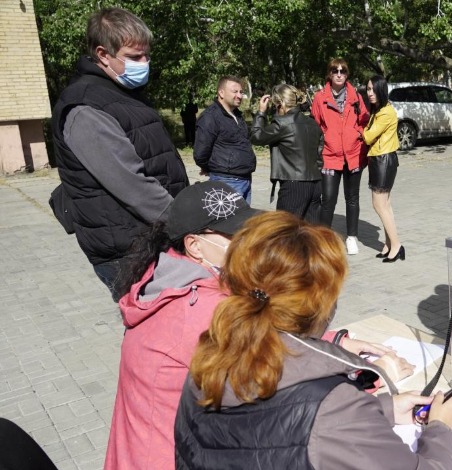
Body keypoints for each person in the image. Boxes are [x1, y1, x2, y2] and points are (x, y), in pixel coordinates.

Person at [105, 182, 411, 469]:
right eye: (237, 237)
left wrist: (335, 339)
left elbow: (260, 327)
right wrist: (374, 376)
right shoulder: (203, 311)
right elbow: (293, 392)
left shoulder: (171, 279)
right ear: (195, 246)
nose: (250, 244)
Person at [175, 211, 452, 469]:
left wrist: (382, 409)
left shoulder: (210, 355)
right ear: (321, 305)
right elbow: (314, 423)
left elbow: (274, 429)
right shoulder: (331, 407)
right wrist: (442, 429)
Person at [49, 7, 189, 301]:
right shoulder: (86, 108)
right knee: (155, 333)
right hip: (128, 250)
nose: (145, 63)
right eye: (135, 57)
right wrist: (189, 222)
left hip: (152, 238)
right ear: (102, 54)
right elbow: (134, 187)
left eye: (147, 55)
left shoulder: (120, 93)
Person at [310, 58, 370, 255]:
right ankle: (324, 240)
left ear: (347, 74)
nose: (339, 74)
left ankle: (352, 237)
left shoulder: (356, 96)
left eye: (343, 71)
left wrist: (357, 136)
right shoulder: (320, 97)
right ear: (329, 73)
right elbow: (315, 124)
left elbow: (364, 121)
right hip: (330, 155)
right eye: (335, 70)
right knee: (328, 199)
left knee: (352, 198)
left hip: (353, 155)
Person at [251, 84, 324, 222]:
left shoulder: (283, 123)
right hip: (315, 183)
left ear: (280, 104)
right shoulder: (312, 123)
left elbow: (256, 136)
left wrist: (261, 112)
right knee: (311, 234)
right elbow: (320, 154)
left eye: (275, 105)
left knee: (285, 232)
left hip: (294, 185)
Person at [194, 76, 257, 202]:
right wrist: (212, 167)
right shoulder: (210, 117)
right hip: (226, 182)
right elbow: (201, 153)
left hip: (245, 179)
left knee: (243, 221)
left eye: (241, 92)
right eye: (235, 92)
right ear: (221, 93)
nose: (239, 96)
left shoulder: (237, 115)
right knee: (229, 221)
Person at [362, 75, 404, 262]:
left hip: (383, 160)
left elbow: (368, 136)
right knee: (385, 205)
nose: (369, 93)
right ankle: (389, 244)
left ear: (381, 90)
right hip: (381, 159)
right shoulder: (379, 110)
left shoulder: (386, 112)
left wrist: (357, 126)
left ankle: (396, 245)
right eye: (368, 89)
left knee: (379, 204)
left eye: (372, 89)